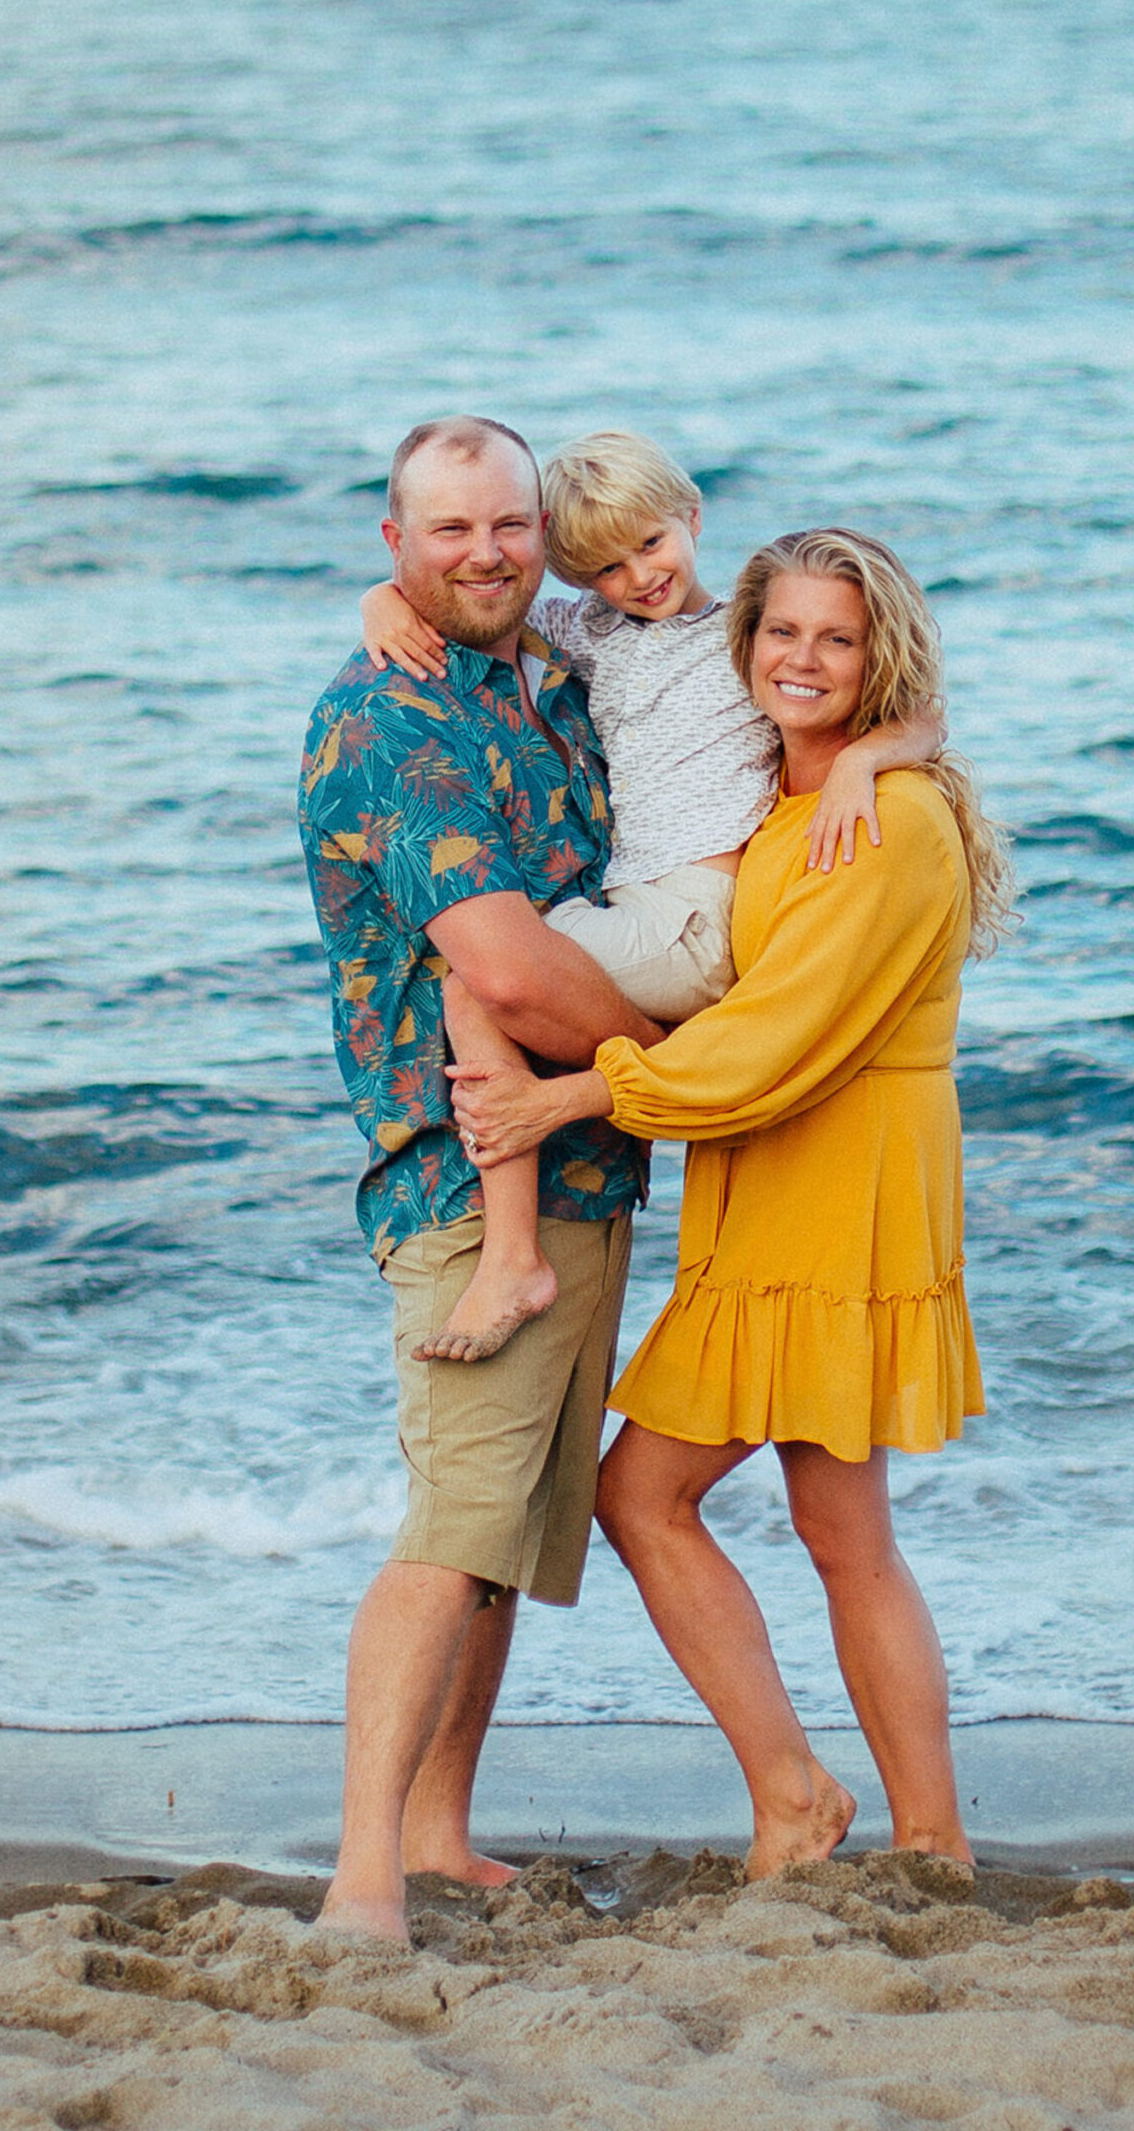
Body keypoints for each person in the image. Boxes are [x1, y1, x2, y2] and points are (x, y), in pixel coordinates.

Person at [452, 527, 1010, 1879]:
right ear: (741, 646)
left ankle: (810, 1797)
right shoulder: (794, 790)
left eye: (838, 637)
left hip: (833, 1179)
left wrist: (566, 1101)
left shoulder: (884, 822)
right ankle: (921, 1842)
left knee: (647, 1496)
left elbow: (770, 1043)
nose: (803, 659)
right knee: (839, 1529)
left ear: (882, 657)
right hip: (791, 1176)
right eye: (781, 634)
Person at [297, 413, 658, 1941]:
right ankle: (363, 1876)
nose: (485, 553)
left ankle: (438, 1832)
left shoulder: (551, 677)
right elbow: (501, 965)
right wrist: (685, 1075)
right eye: (447, 532)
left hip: (584, 1168)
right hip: (464, 1175)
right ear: (396, 545)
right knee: (452, 1527)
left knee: (501, 1534)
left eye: (508, 524)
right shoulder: (390, 722)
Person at [361, 431, 941, 1365]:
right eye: (605, 566)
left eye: (654, 546)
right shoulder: (588, 632)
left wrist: (866, 760)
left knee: (476, 981)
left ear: (693, 519)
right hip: (648, 911)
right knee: (491, 971)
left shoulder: (744, 635)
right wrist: (383, 595)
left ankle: (512, 1258)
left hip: (694, 917)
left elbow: (919, 707)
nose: (639, 576)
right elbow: (481, 606)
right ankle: (656, 1093)